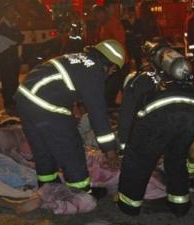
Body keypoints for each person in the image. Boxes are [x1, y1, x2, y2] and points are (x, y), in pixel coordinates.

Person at [15, 39, 125, 197]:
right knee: (71, 148)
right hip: (44, 102)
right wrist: (110, 151)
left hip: (25, 96)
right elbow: (98, 115)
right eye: (113, 71)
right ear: (112, 66)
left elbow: (66, 84)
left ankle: (48, 187)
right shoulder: (94, 71)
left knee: (43, 148)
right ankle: (81, 192)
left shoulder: (81, 58)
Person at [117, 42, 194, 217]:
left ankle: (129, 206)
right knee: (176, 157)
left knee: (138, 160)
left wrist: (124, 146)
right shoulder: (178, 76)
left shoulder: (137, 78)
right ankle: (180, 205)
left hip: (162, 115)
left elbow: (127, 116)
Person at [93, 4, 128, 107]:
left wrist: (113, 62)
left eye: (98, 15)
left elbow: (120, 41)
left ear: (104, 13)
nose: (96, 18)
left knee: (112, 90)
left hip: (118, 63)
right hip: (113, 63)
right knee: (115, 89)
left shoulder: (112, 24)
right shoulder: (103, 25)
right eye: (95, 16)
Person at [0, 2, 24, 113]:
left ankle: (12, 104)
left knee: (14, 83)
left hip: (12, 59)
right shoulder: (2, 26)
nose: (14, 13)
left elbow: (21, 37)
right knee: (8, 83)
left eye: (14, 10)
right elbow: (17, 38)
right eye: (11, 11)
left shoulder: (11, 25)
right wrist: (17, 37)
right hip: (6, 59)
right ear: (6, 12)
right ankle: (9, 106)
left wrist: (18, 37)